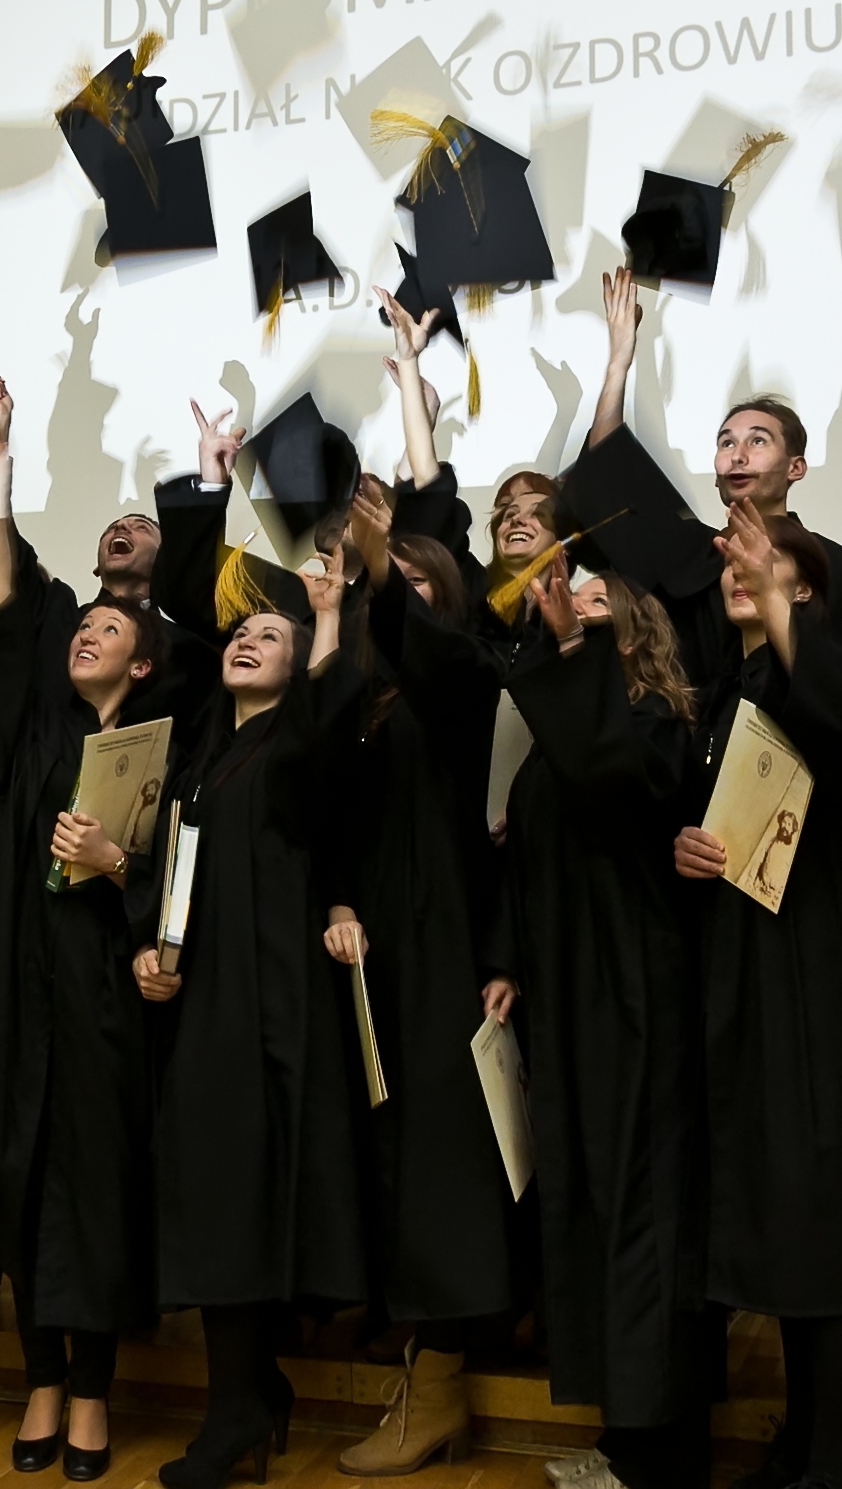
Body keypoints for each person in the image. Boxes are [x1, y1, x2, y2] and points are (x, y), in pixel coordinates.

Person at [132, 415, 372, 1489]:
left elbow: (325, 725)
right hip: (203, 998)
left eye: (268, 638)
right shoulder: (198, 756)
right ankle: (250, 1393)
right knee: (217, 1198)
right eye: (241, 635)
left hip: (272, 1002)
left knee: (248, 1199)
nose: (243, 641)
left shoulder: (297, 746)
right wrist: (151, 950)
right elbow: (173, 873)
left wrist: (324, 622)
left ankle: (238, 1409)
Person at [675, 505, 842, 1489]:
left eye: (771, 563)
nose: (744, 571)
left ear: (810, 592)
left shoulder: (832, 668)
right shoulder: (723, 690)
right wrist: (683, 845)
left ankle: (835, 1460)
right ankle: (805, 1440)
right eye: (735, 564)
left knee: (822, 1205)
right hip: (742, 970)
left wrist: (782, 605)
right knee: (784, 1208)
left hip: (816, 970)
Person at [0, 376, 169, 1482]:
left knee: (94, 1188)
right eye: (82, 624)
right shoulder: (37, 725)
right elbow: (2, 610)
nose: (88, 631)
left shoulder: (165, 749)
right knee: (25, 1173)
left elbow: (185, 878)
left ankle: (91, 1393)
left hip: (103, 994)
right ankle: (40, 1379)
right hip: (18, 983)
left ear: (144, 661)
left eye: (109, 628)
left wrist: (116, 863)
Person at [498, 546, 708, 1489]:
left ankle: (664, 1451)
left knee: (642, 1208)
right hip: (567, 991)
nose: (567, 607)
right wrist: (507, 964)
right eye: (561, 600)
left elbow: (611, 785)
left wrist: (571, 656)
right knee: (590, 1201)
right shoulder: (557, 739)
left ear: (631, 628)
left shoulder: (656, 722)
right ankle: (627, 1434)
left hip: (634, 990)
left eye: (589, 601)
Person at [329, 477, 522, 1475]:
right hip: (370, 956)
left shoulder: (466, 682)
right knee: (386, 1152)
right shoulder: (361, 696)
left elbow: (435, 654)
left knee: (445, 1164)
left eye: (410, 581)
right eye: (380, 579)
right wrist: (337, 902)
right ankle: (408, 1341)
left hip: (446, 949)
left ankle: (441, 1380)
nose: (388, 589)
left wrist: (377, 566)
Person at [586, 267, 842, 665]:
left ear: (796, 467)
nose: (738, 455)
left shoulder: (827, 565)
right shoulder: (690, 555)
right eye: (726, 442)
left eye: (758, 441)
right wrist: (618, 361)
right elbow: (605, 476)